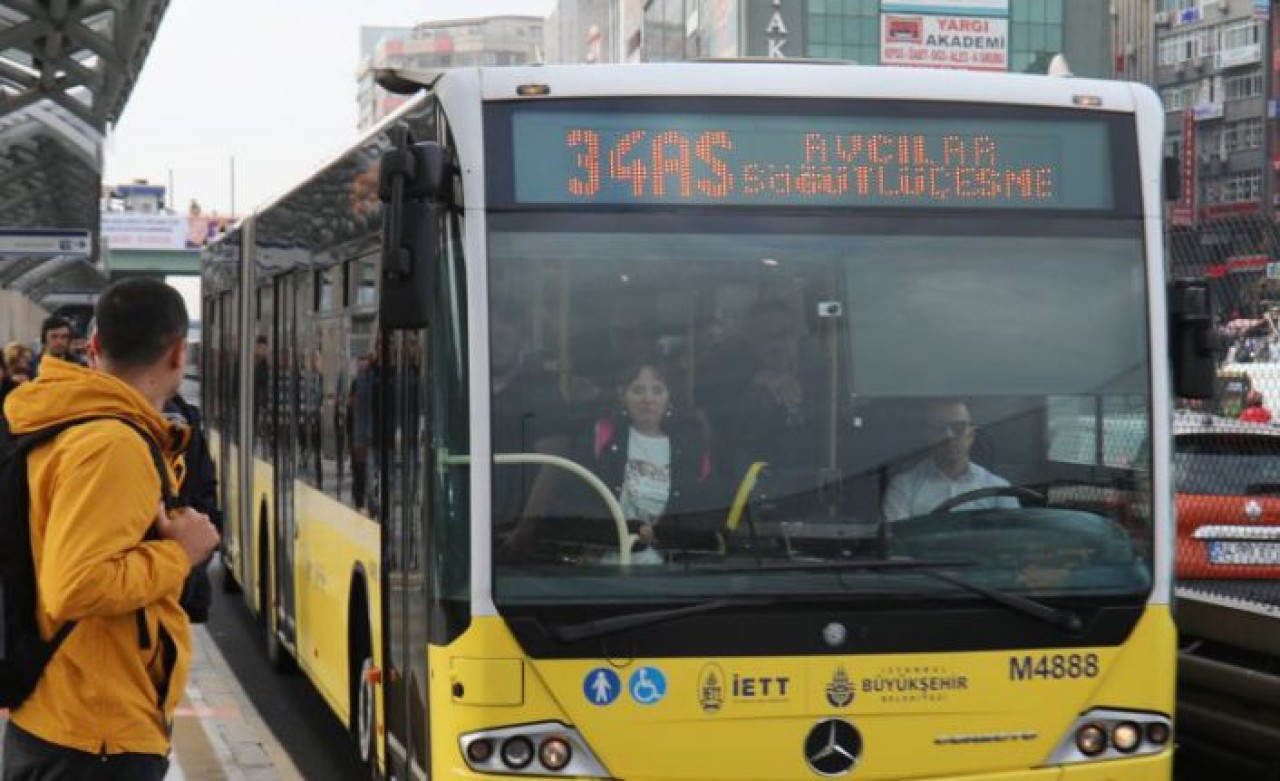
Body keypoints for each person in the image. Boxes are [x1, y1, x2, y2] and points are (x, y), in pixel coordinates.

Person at [1, 278, 221, 780]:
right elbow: (76, 585)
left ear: (94, 347)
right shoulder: (112, 445)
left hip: (65, 715)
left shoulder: (72, 424)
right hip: (95, 730)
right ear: (177, 354)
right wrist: (179, 555)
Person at [882, 398, 1018, 521]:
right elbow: (898, 544)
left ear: (971, 435)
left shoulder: (999, 489)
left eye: (958, 427)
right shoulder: (903, 488)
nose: (948, 436)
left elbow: (1013, 541)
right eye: (938, 428)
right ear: (927, 436)